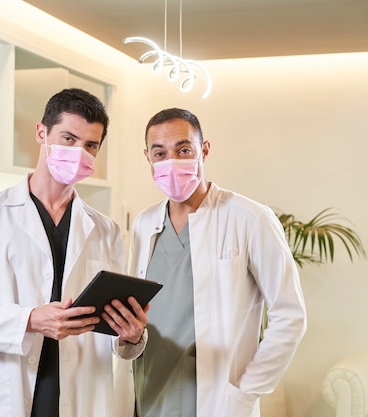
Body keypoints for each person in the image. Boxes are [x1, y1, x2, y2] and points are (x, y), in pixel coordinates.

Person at [0, 88, 149, 417]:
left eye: (90, 145)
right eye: (68, 138)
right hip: (10, 392)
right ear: (41, 133)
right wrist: (31, 320)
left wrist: (130, 336)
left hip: (82, 395)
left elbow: (110, 332)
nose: (79, 152)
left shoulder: (105, 230)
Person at [129, 108, 307, 417]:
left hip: (218, 400)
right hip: (150, 391)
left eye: (183, 150)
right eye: (160, 153)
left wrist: (247, 390)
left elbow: (290, 315)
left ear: (204, 150)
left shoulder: (249, 218)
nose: (171, 161)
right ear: (148, 158)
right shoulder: (145, 224)